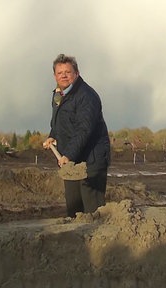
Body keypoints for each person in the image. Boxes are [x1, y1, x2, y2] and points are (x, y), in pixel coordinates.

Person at [42, 54, 111, 217]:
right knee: (73, 208)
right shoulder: (59, 94)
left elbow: (84, 129)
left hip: (91, 160)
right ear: (54, 76)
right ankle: (78, 241)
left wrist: (68, 155)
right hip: (71, 160)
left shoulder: (86, 96)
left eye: (68, 72)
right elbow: (59, 119)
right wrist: (53, 134)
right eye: (60, 73)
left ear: (77, 73)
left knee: (92, 211)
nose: (64, 75)